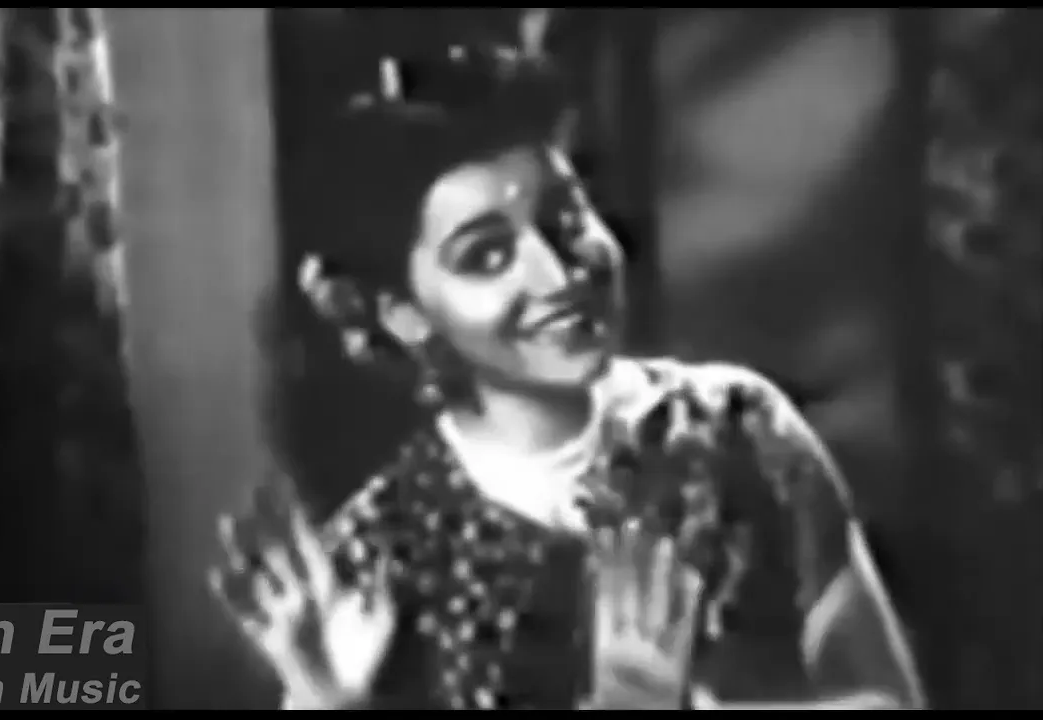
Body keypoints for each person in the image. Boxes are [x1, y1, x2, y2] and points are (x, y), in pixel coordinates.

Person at [208, 44, 927, 710]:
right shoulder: (378, 559)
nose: (556, 275)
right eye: (487, 257)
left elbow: (889, 703)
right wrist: (325, 697)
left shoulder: (736, 430)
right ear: (406, 315)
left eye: (566, 218)